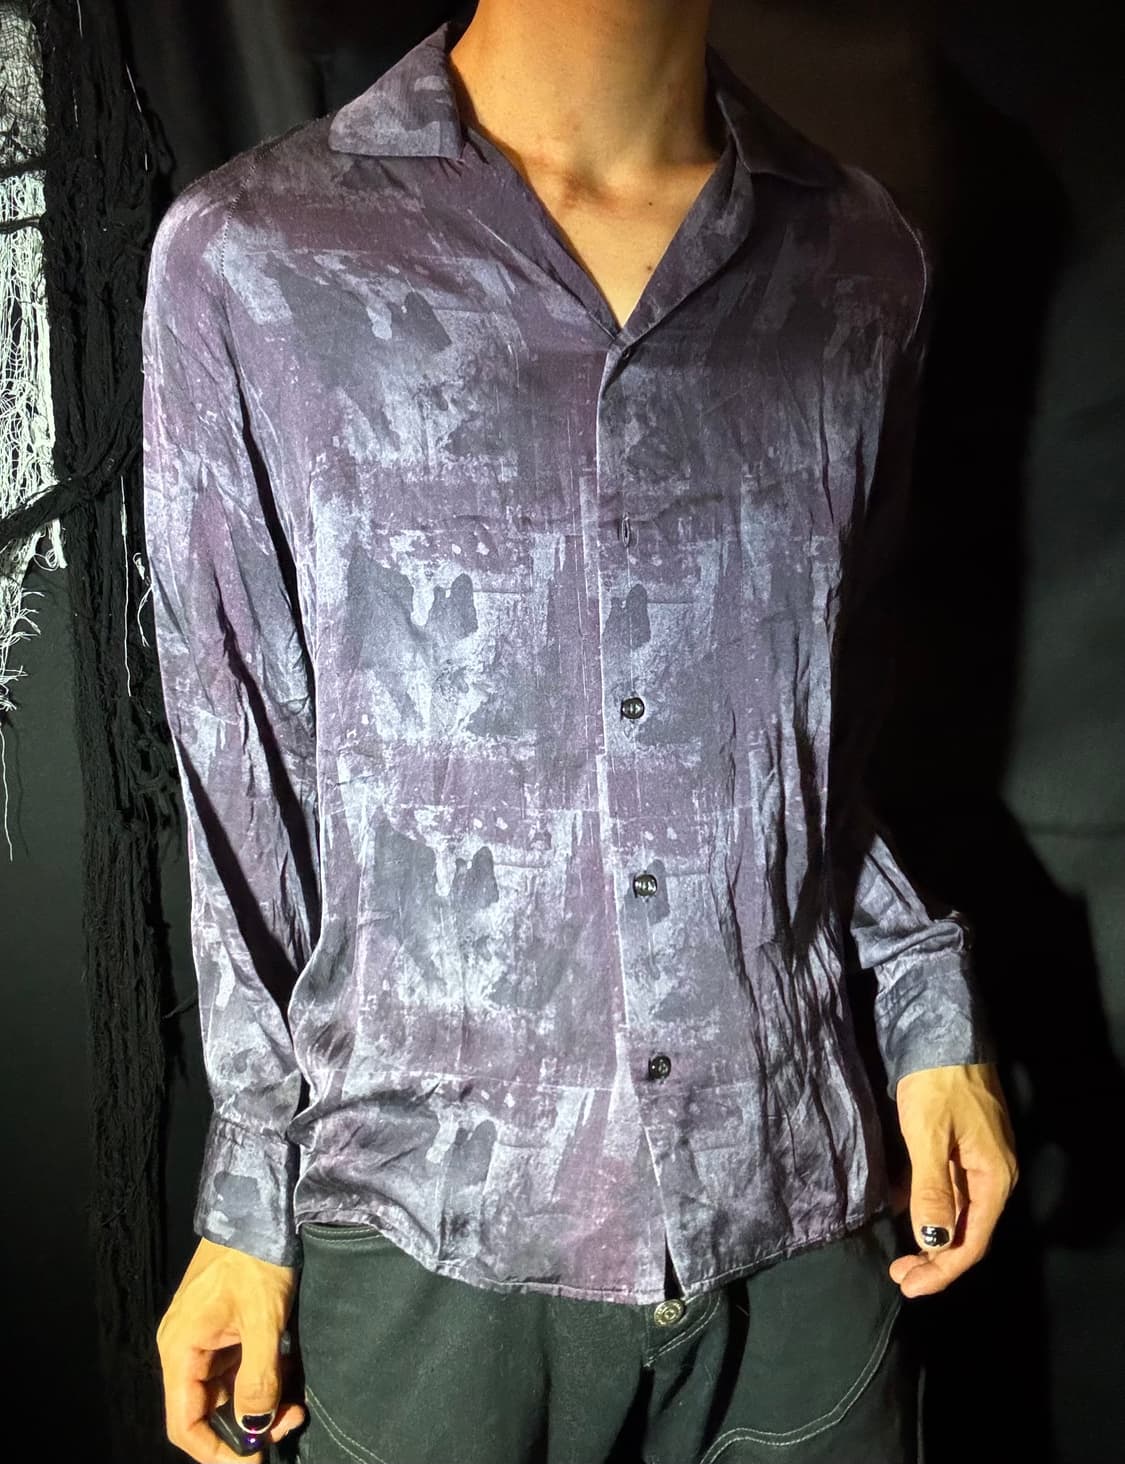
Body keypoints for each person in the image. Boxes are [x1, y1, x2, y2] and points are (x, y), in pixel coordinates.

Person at [142, 4, 1019, 1462]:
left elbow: (818, 745)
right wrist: (248, 1203)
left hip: (801, 1219)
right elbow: (240, 765)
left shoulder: (861, 260)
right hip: (431, 1252)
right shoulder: (259, 257)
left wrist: (927, 1018)